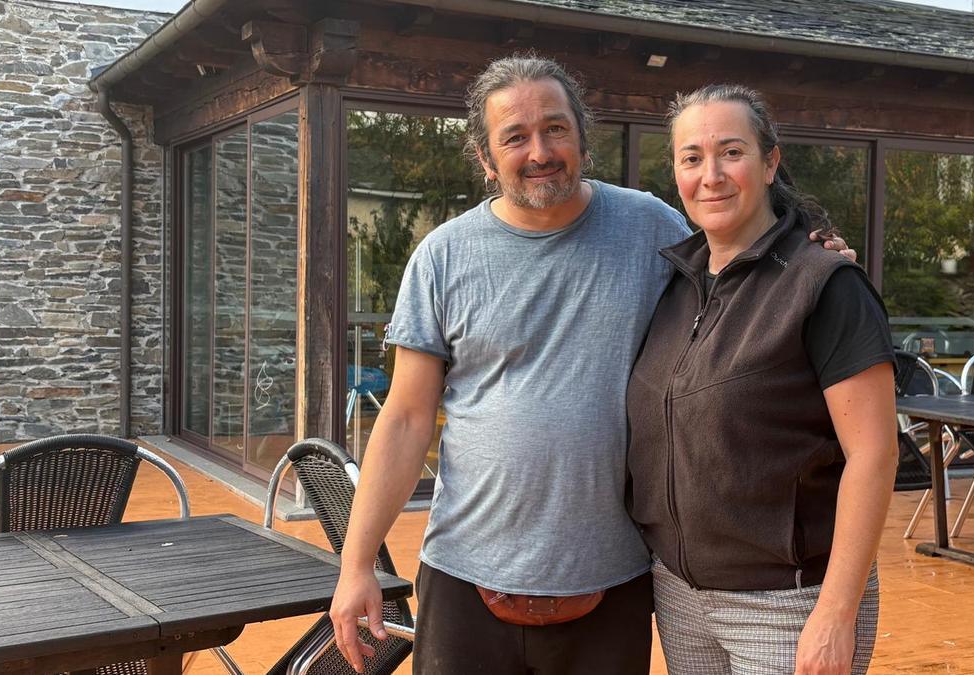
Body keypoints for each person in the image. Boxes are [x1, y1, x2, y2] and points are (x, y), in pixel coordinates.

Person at [329, 56, 854, 675]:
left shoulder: (654, 230)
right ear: (484, 157)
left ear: (583, 135)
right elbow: (405, 418)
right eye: (515, 137)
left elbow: (742, 249)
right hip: (464, 578)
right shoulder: (442, 257)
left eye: (555, 129)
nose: (540, 151)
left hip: (614, 580)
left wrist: (811, 248)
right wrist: (357, 564)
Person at [626, 84, 897, 675]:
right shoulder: (675, 284)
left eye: (732, 152)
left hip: (788, 600)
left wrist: (835, 613)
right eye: (692, 158)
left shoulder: (825, 284)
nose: (712, 175)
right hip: (680, 594)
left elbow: (874, 456)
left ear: (770, 161)